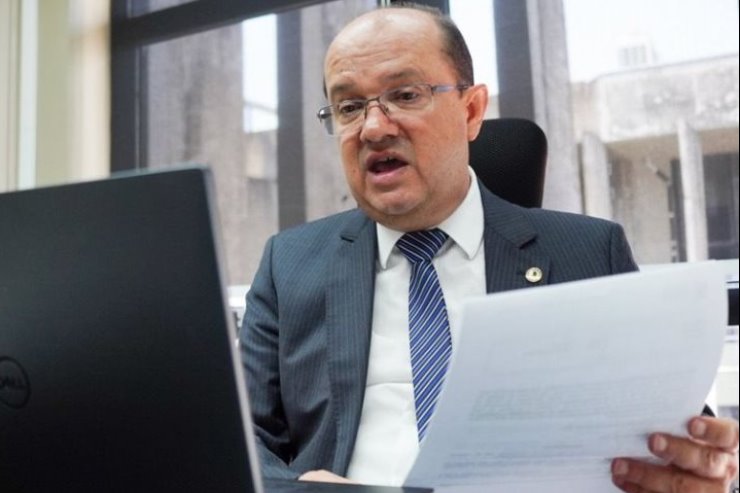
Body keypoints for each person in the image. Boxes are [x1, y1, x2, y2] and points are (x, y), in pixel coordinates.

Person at [240, 3, 739, 491]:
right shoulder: (290, 265)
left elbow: (671, 437)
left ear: (471, 110)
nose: (373, 128)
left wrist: (695, 465)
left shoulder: (588, 253)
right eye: (349, 107)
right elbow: (239, 441)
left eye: (405, 95)